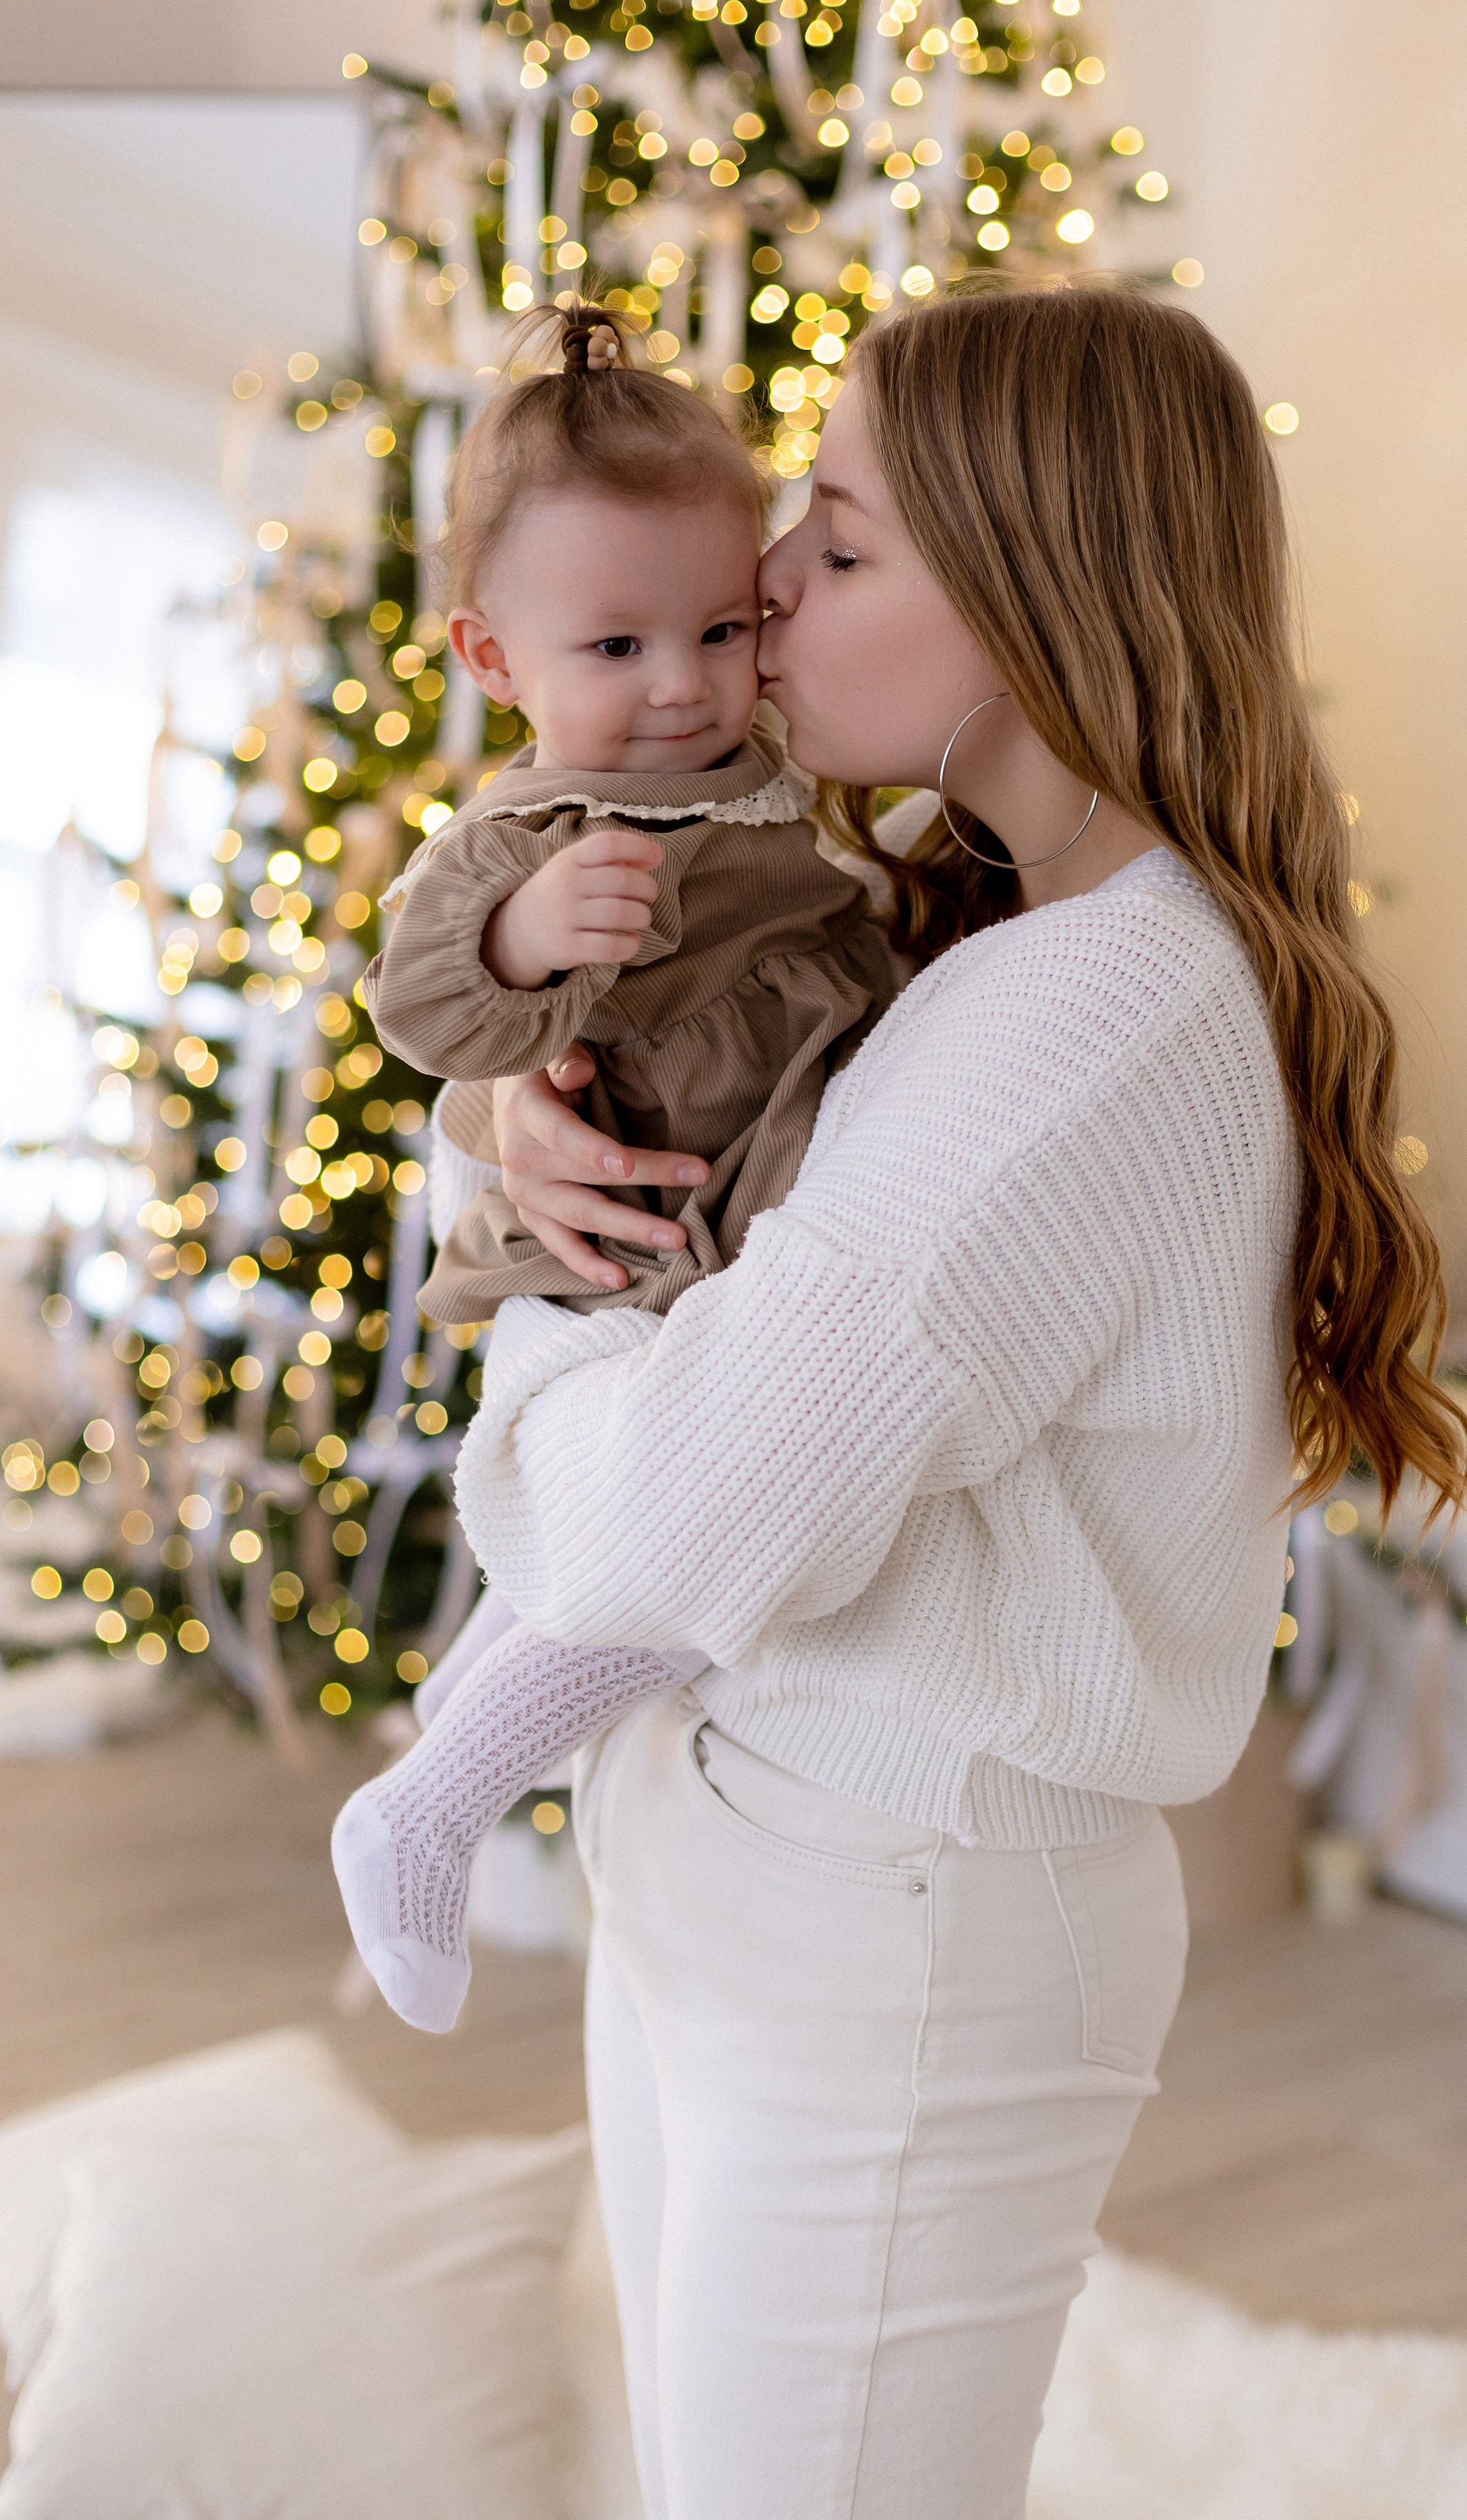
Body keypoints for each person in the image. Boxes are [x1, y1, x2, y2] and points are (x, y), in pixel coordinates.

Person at [439, 282, 1467, 2520]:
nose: (764, 588)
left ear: (1018, 588)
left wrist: (536, 1326)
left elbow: (676, 1524)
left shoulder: (1083, 1023)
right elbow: (704, 1155)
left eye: (836, 533)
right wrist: (505, 1144)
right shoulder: (975, 938)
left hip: (891, 1935)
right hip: (759, 1862)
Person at [331, 298, 900, 2033]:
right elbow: (416, 1009)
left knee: (644, 1570)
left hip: (755, 1205)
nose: (679, 687)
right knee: (681, 1553)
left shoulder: (775, 773)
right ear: (493, 660)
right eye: (614, 650)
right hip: (640, 1239)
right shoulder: (519, 834)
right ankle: (433, 1800)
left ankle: (445, 1776)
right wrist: (512, 941)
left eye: (722, 628)